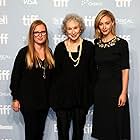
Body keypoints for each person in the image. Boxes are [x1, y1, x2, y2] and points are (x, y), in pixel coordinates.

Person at [49, 13, 96, 140]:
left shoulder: (89, 47)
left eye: (75, 27)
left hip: (81, 99)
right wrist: (54, 99)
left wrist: (90, 96)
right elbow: (54, 76)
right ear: (65, 30)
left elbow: (93, 74)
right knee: (62, 134)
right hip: (62, 100)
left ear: (80, 28)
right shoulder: (59, 48)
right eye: (69, 28)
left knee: (78, 134)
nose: (73, 31)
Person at [10, 20, 55, 140]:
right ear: (32, 34)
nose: (40, 35)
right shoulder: (24, 53)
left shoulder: (49, 53)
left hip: (44, 102)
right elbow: (15, 77)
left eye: (43, 32)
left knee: (39, 134)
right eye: (36, 32)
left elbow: (51, 79)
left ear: (46, 34)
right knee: (31, 134)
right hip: (28, 102)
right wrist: (15, 98)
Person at [91, 9, 130, 140]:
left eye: (107, 23)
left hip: (116, 91)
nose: (104, 27)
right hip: (100, 92)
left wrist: (124, 92)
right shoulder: (96, 44)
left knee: (116, 130)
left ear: (112, 23)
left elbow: (125, 69)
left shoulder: (122, 44)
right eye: (101, 24)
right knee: (103, 130)